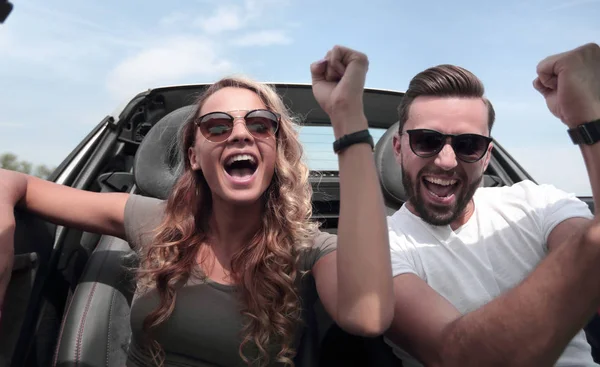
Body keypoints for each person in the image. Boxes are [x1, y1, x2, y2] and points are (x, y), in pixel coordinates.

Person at [0, 45, 394, 367]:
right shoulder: (153, 219)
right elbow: (13, 181)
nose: (240, 134)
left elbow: (367, 315)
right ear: (193, 155)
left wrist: (346, 117)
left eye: (260, 124)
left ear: (276, 150)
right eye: (217, 126)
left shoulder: (309, 248)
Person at [383, 42, 600, 366]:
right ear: (399, 148)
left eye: (468, 144)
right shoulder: (380, 246)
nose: (445, 161)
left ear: (486, 158)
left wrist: (590, 117)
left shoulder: (537, 203)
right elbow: (459, 356)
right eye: (426, 141)